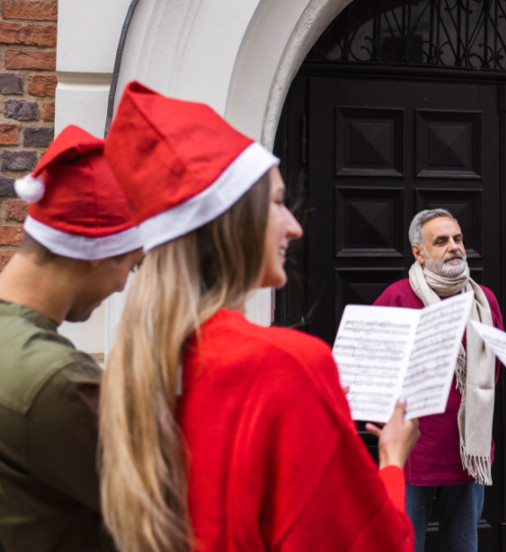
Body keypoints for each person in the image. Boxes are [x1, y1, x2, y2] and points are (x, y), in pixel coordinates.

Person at [98, 81, 418, 552]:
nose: (295, 225)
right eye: (276, 202)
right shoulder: (286, 364)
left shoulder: (139, 367)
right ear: (233, 222)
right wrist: (391, 460)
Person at [0, 126, 143, 551]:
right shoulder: (58, 381)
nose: (121, 287)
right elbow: (162, 510)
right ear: (100, 253)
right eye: (130, 267)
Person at [373, 208, 503, 552]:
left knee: (463, 546)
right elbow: (373, 368)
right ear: (419, 252)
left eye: (457, 239)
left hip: (467, 451)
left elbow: (494, 368)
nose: (454, 248)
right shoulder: (397, 298)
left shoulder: (484, 301)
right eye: (441, 241)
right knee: (403, 544)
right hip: (416, 451)